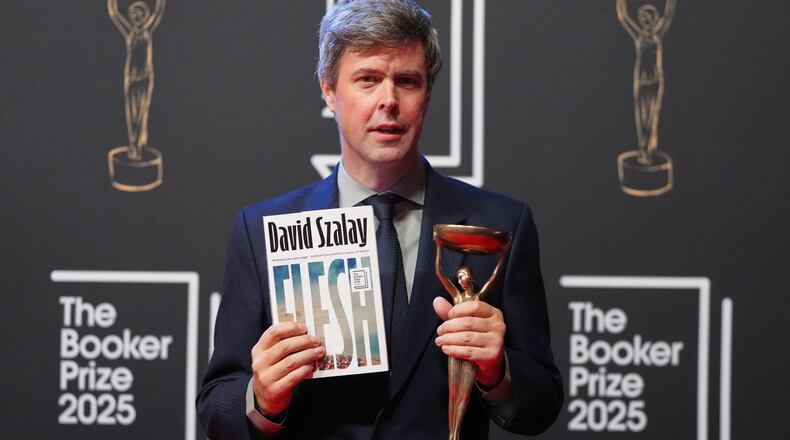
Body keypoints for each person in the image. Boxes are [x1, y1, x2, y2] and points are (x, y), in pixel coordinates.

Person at [197, 1, 563, 438]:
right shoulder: (260, 232)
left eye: (406, 81)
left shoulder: (501, 224)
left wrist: (496, 370)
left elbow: (540, 404)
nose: (388, 100)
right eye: (368, 79)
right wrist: (262, 399)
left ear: (427, 95)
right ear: (329, 91)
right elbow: (217, 407)